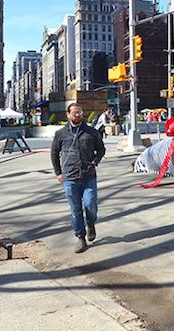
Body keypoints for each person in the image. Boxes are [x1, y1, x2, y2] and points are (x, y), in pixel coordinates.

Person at [50, 103, 106, 253]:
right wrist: (58, 173)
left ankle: (91, 223)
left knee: (90, 205)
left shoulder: (91, 132)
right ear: (68, 115)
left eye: (80, 112)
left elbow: (101, 149)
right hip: (70, 176)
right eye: (75, 112)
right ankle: (80, 238)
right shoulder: (60, 134)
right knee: (75, 210)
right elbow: (54, 153)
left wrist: (96, 161)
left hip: (88, 175)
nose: (78, 115)